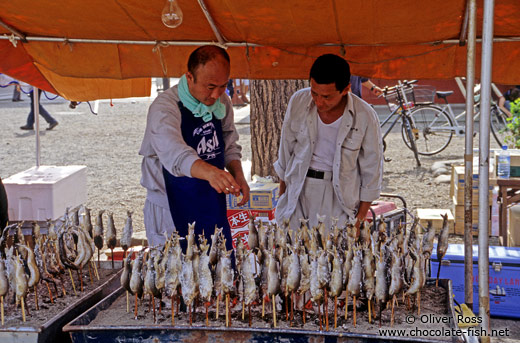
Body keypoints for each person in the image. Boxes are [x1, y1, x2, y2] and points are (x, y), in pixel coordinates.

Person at [139, 45, 250, 250]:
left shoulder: (222, 101)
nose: (217, 94)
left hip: (210, 204)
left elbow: (229, 143)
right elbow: (176, 155)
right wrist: (211, 173)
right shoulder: (164, 108)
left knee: (216, 271)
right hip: (170, 208)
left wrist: (238, 174)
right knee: (175, 275)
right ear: (189, 77)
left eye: (223, 85)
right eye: (210, 86)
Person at [274, 54, 383, 235]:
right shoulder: (298, 101)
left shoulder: (365, 115)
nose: (318, 101)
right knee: (294, 256)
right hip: (299, 190)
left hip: (340, 196)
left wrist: (359, 221)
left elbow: (372, 171)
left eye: (326, 96)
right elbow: (285, 154)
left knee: (332, 258)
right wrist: (283, 200)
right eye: (314, 92)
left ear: (346, 89)